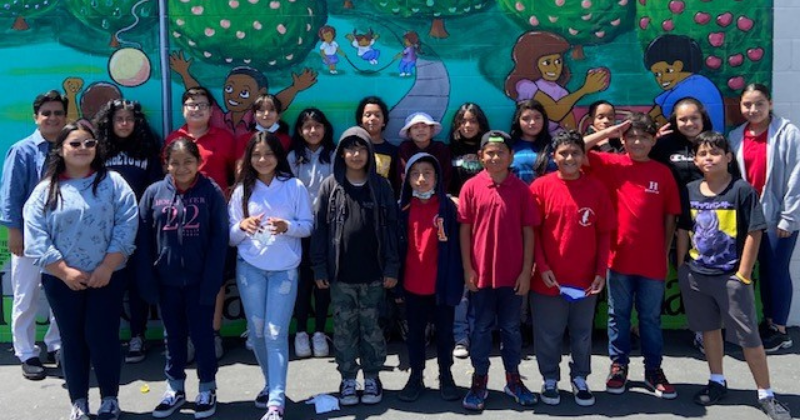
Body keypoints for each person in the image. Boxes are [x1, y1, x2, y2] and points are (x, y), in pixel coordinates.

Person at [24, 122, 138, 420]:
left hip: (108, 277)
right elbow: (35, 237)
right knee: (72, 340)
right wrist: (63, 271)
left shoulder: (113, 183)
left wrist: (107, 266)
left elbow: (127, 225)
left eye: (89, 143)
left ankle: (110, 399)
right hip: (61, 281)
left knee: (103, 338)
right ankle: (78, 402)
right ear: (61, 150)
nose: (82, 149)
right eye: (75, 144)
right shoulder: (44, 191)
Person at [676, 131, 791, 420]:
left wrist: (743, 274)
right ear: (695, 159)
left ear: (728, 157)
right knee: (710, 331)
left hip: (730, 277)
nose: (708, 158)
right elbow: (683, 230)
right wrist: (682, 265)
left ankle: (766, 393)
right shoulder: (689, 189)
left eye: (715, 152)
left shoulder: (742, 190)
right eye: (702, 153)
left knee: (749, 337)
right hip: (697, 274)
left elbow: (754, 231)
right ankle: (717, 380)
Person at [584, 113, 681, 399]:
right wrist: (612, 130)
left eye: (644, 137)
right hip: (619, 259)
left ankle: (654, 369)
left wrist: (663, 253)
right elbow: (579, 145)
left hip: (652, 261)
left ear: (653, 140)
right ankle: (618, 366)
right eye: (632, 137)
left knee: (650, 318)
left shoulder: (662, 172)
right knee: (618, 316)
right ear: (623, 140)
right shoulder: (612, 164)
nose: (637, 142)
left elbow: (670, 218)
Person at [137, 138, 229, 419]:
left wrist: (212, 282)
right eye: (174, 162)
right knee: (173, 338)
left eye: (188, 162)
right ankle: (174, 388)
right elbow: (143, 241)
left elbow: (219, 241)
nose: (181, 168)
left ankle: (207, 388)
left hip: (201, 283)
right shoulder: (154, 193)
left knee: (203, 337)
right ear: (166, 164)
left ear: (199, 163)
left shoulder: (211, 192)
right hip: (167, 283)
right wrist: (148, 280)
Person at [311, 127, 400, 406]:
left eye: (361, 149)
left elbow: (393, 230)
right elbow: (319, 231)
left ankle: (372, 376)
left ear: (369, 153)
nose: (355, 154)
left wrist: (392, 267)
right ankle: (348, 379)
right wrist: (320, 268)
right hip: (341, 276)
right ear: (341, 154)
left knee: (372, 328)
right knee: (344, 330)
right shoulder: (330, 186)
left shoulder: (381, 186)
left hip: (374, 275)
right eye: (349, 149)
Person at [230, 132, 313, 420]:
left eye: (268, 154)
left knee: (276, 334)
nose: (262, 160)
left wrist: (286, 226)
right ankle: (270, 384)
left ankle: (276, 402)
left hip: (284, 271)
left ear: (278, 156)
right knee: (257, 333)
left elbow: (307, 226)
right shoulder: (242, 190)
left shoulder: (294, 186)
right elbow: (230, 237)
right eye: (256, 154)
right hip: (249, 269)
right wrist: (242, 226)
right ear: (249, 158)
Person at [529, 130, 614, 407]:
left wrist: (601, 271)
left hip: (585, 280)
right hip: (548, 279)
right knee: (548, 333)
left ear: (583, 156)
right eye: (563, 153)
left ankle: (580, 377)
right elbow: (534, 232)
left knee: (582, 333)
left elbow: (604, 233)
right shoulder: (540, 187)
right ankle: (550, 378)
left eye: (575, 153)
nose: (569, 158)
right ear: (553, 156)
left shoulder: (596, 188)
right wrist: (541, 267)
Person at [459, 130, 538, 411]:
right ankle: (479, 379)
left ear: (511, 156)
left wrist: (526, 271)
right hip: (480, 276)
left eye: (500, 152)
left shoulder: (521, 189)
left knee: (511, 329)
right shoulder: (471, 187)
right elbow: (465, 231)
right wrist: (468, 268)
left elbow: (529, 232)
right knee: (480, 329)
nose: (495, 157)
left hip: (512, 276)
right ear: (480, 157)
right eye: (489, 153)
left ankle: (513, 378)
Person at [165, 86, 238, 359]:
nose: (197, 109)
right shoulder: (174, 138)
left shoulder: (224, 138)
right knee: (182, 279)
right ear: (183, 109)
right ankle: (186, 337)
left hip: (214, 218)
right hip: (180, 218)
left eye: (202, 105)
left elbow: (235, 173)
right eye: (191, 104)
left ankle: (213, 333)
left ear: (211, 110)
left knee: (214, 278)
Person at [729, 83, 800, 353]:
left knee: (776, 271)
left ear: (769, 103)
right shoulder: (736, 136)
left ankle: (780, 329)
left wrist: (788, 218)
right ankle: (766, 324)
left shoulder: (788, 133)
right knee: (753, 272)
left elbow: (797, 177)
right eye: (747, 104)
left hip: (778, 217)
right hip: (749, 218)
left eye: (759, 103)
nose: (753, 109)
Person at [0, 90, 65, 380]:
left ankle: (55, 344)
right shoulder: (22, 150)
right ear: (36, 117)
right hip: (28, 236)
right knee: (26, 295)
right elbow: (10, 196)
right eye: (46, 113)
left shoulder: (69, 147)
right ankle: (26, 351)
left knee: (59, 294)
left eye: (58, 113)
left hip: (63, 236)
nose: (52, 118)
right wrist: (14, 232)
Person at [93, 99, 163, 364]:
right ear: (109, 122)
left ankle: (137, 335)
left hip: (139, 227)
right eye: (119, 119)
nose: (124, 123)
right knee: (108, 282)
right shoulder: (99, 150)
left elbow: (155, 188)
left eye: (129, 119)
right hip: (104, 228)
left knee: (137, 284)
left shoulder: (147, 149)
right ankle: (106, 338)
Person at [649, 96, 714, 353]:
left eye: (693, 118)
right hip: (666, 222)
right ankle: (642, 326)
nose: (689, 123)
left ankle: (702, 330)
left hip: (705, 224)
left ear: (702, 118)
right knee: (658, 274)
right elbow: (637, 161)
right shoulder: (664, 145)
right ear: (675, 121)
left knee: (699, 277)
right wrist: (652, 138)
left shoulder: (713, 142)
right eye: (682, 119)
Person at [397, 153, 462, 402]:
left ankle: (446, 374)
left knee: (445, 334)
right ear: (407, 179)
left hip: (442, 284)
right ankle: (416, 376)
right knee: (415, 335)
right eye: (415, 174)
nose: (421, 179)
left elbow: (458, 244)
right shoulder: (402, 208)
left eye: (427, 173)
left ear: (437, 177)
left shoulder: (448, 207)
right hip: (413, 284)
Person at [287, 108, 336, 359]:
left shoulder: (334, 155)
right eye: (307, 127)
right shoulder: (293, 157)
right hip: (300, 230)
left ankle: (319, 332)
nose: (312, 131)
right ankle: (301, 332)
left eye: (317, 126)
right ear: (299, 131)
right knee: (302, 283)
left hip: (327, 230)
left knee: (322, 282)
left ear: (325, 128)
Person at [447, 102, 489, 359]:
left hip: (485, 222)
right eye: (463, 122)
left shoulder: (491, 151)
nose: (468, 126)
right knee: (462, 281)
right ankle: (460, 335)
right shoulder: (449, 150)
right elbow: (441, 185)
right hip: (459, 221)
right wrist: (455, 201)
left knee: (483, 280)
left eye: (472, 121)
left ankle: (481, 331)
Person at [505, 30, 609, 131]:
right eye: (547, 63)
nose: (555, 68)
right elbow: (554, 113)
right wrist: (584, 90)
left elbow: (569, 125)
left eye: (558, 61)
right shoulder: (524, 85)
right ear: (531, 63)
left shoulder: (561, 91)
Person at [643, 34, 725, 130]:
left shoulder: (685, 91)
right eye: (657, 74)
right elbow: (656, 109)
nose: (661, 79)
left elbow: (662, 121)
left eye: (667, 71)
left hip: (703, 141)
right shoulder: (696, 81)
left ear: (678, 65)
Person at [355, 96, 400, 193]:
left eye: (377, 115)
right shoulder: (352, 149)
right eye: (368, 115)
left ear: (384, 122)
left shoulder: (393, 151)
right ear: (361, 121)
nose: (372, 118)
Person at [397, 112, 452, 189]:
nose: (420, 130)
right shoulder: (404, 149)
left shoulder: (441, 149)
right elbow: (402, 175)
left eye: (424, 126)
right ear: (409, 133)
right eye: (415, 127)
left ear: (432, 130)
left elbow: (446, 175)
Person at [509, 99, 556, 185]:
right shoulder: (508, 146)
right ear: (518, 121)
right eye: (526, 119)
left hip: (547, 197)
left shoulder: (555, 146)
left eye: (537, 118)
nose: (532, 122)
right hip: (518, 197)